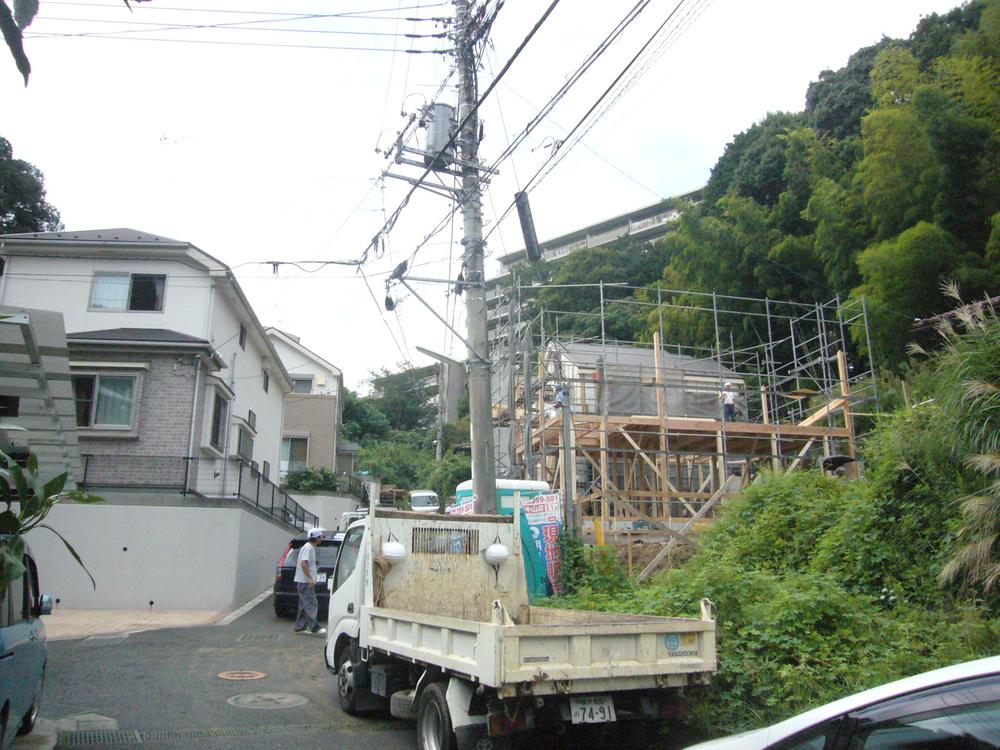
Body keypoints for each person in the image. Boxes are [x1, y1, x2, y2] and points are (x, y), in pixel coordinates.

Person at [293, 528, 327, 635]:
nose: (321, 539)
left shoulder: (308, 547)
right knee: (311, 604)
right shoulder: (309, 548)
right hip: (305, 582)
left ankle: (300, 627)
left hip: (302, 581)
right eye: (320, 537)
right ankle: (314, 628)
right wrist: (310, 578)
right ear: (316, 538)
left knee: (304, 605)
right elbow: (304, 563)